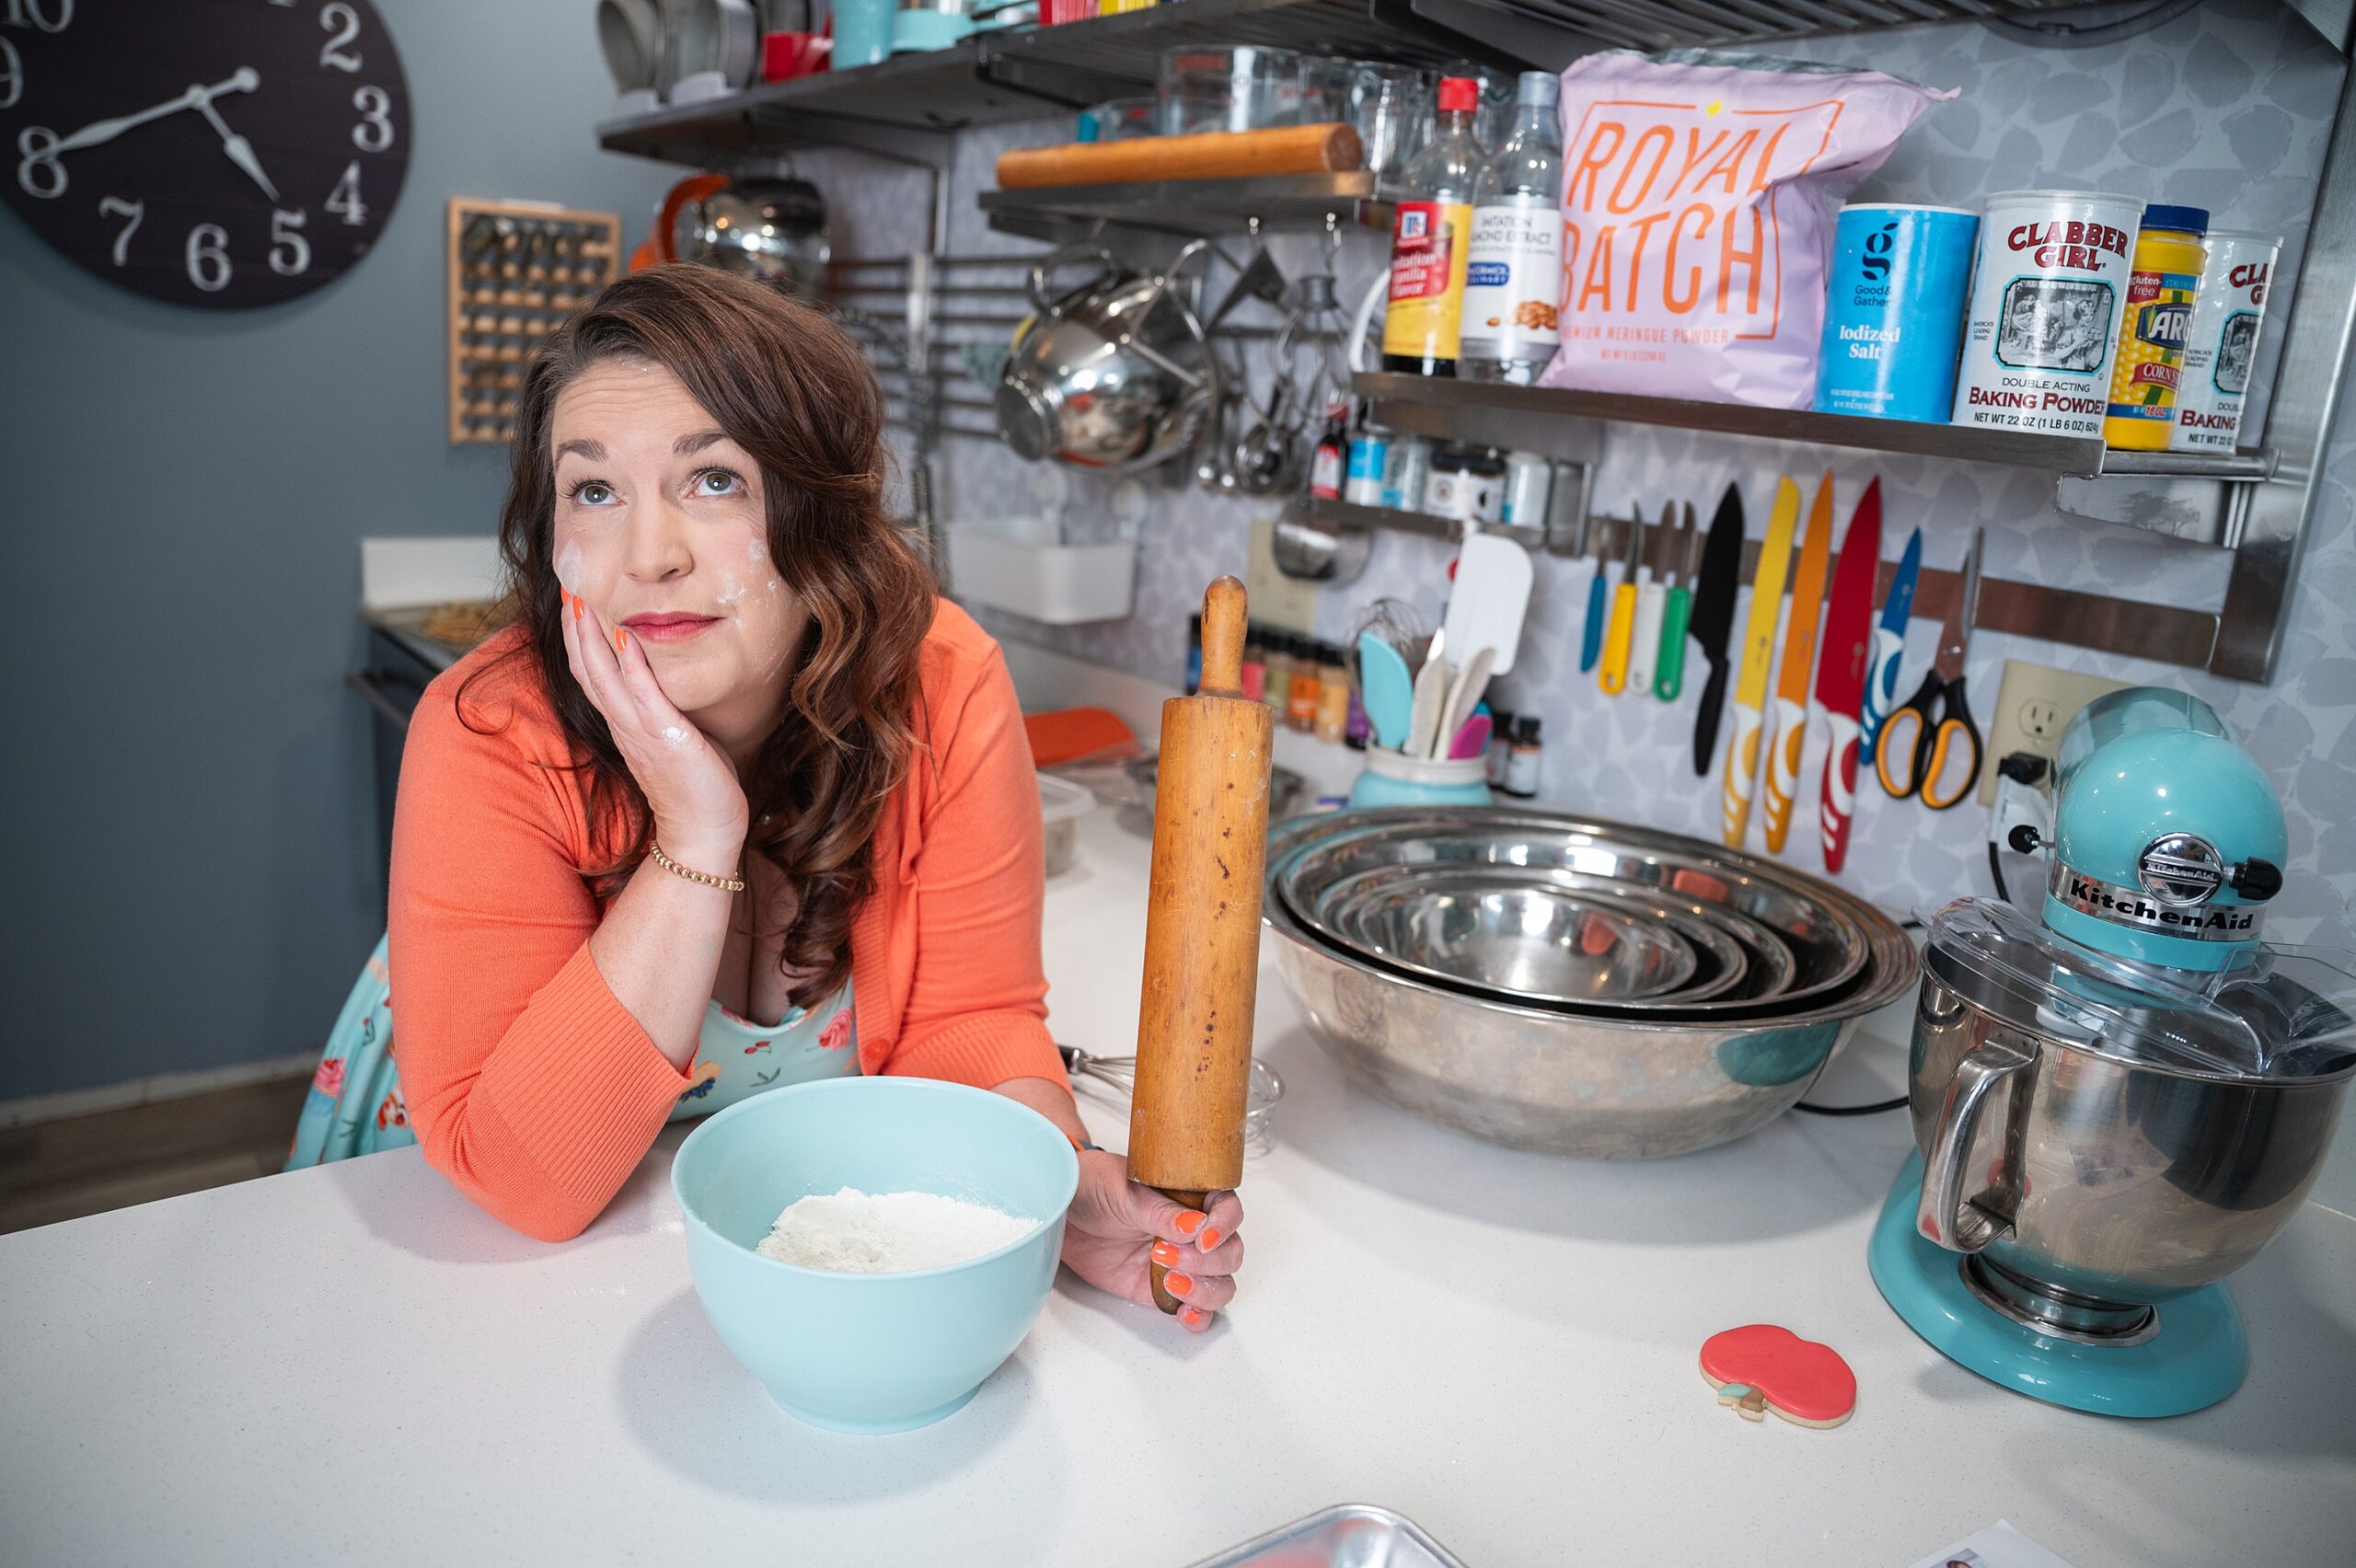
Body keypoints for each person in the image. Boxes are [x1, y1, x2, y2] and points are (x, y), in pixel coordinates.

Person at [385, 266, 1242, 1330]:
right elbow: (523, 1182)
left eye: (713, 482)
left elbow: (965, 1026)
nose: (647, 557)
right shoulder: (489, 731)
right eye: (594, 491)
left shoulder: (943, 683)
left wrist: (1046, 1189)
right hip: (506, 1280)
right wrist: (697, 836)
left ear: (821, 515)